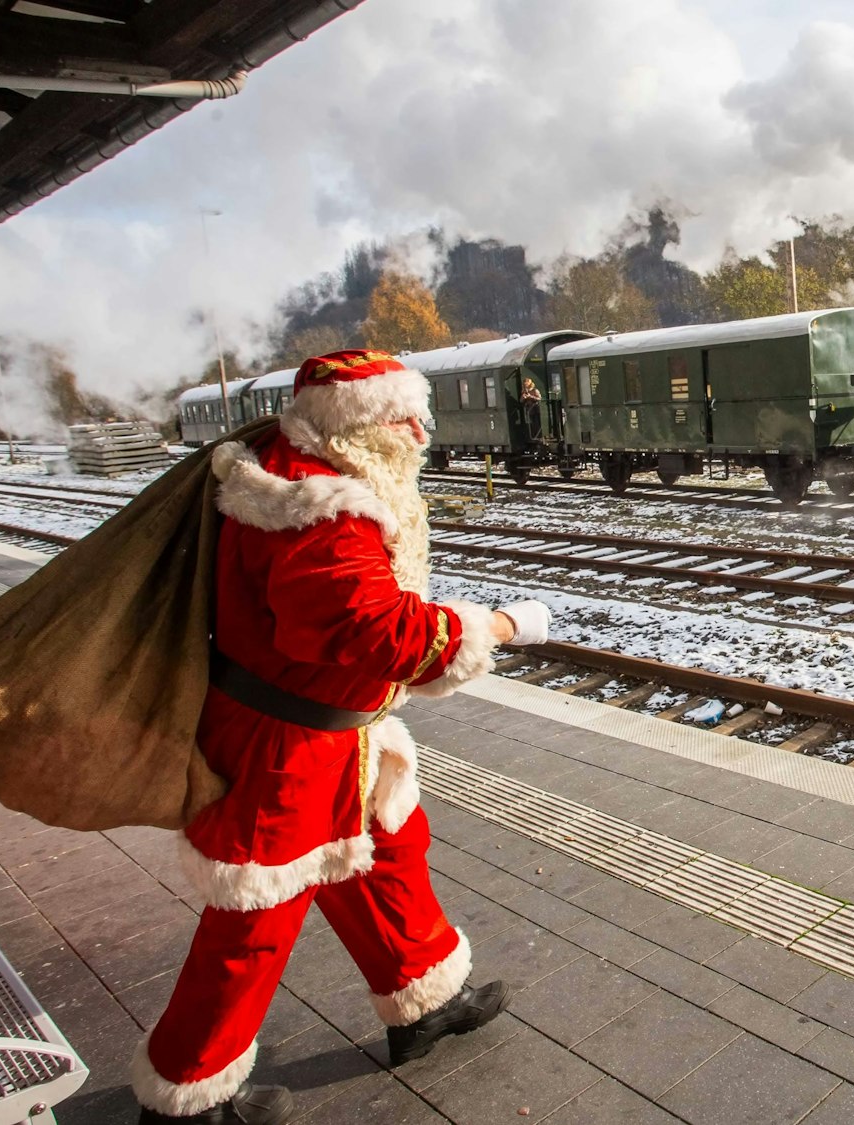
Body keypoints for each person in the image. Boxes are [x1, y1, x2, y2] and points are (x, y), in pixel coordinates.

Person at [132, 350, 549, 1124]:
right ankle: (187, 1092)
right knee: (254, 916)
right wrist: (493, 624)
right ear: (356, 424)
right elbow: (372, 630)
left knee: (387, 849)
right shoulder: (315, 505)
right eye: (404, 416)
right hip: (283, 748)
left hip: (326, 732)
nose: (420, 431)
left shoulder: (301, 469)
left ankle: (422, 997)